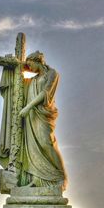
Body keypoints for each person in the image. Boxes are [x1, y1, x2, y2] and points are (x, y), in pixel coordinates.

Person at [18, 51, 67, 190]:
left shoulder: (52, 73)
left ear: (37, 61)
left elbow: (46, 93)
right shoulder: (32, 80)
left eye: (30, 64)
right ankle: (38, 178)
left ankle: (61, 177)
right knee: (34, 146)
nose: (29, 68)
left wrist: (28, 107)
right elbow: (19, 74)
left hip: (43, 114)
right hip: (32, 116)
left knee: (47, 144)